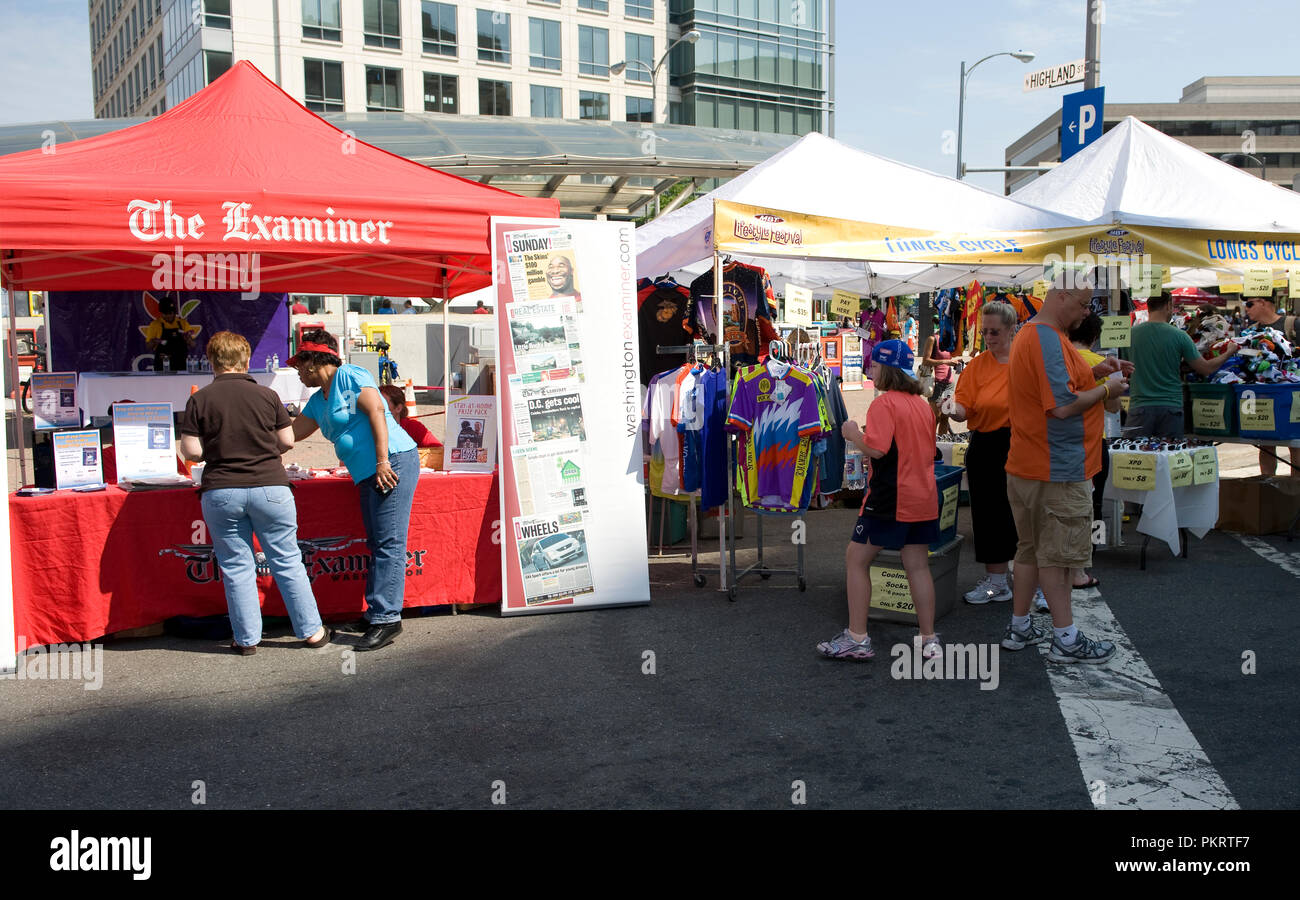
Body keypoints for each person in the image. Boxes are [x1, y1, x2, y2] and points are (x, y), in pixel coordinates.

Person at [178, 331, 329, 655]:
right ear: (245, 360)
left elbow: (190, 449)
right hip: (271, 487)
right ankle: (312, 632)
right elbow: (287, 441)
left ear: (213, 361)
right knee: (287, 560)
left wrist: (218, 448)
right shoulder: (268, 396)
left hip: (222, 490)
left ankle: (246, 640)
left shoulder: (199, 399)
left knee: (236, 565)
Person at [1003, 273, 1127, 664]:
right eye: (1083, 303)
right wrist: (1108, 390)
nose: (1086, 312)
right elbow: (1060, 406)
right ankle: (1066, 638)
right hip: (1056, 468)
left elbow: (1058, 387)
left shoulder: (1034, 334)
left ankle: (1020, 627)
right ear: (1061, 296)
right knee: (1058, 559)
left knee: (1029, 550)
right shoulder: (1045, 337)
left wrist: (1098, 372)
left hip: (1030, 464)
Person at [289, 330, 419, 651]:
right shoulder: (319, 400)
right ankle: (376, 612)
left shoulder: (349, 374)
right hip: (369, 472)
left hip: (392, 462)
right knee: (378, 541)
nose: (297, 371)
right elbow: (291, 435)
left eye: (300, 363)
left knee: (388, 542)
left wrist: (382, 460)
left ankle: (387, 618)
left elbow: (376, 411)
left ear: (316, 361)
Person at [818, 339, 942, 662]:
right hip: (924, 497)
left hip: (890, 498)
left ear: (886, 368)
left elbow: (876, 449)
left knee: (856, 559)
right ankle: (928, 638)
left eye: (874, 364)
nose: (869, 369)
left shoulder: (884, 405)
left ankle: (857, 637)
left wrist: (851, 433)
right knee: (917, 565)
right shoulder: (922, 404)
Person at [947, 301, 1046, 609]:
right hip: (987, 445)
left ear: (1012, 329)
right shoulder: (977, 366)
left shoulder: (1030, 360)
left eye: (995, 331)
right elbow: (964, 407)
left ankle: (1042, 586)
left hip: (1025, 443)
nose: (989, 337)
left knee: (1029, 516)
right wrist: (953, 407)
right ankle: (996, 582)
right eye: (985, 332)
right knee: (989, 515)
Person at [1126, 292, 1237, 438]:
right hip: (1170, 408)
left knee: (1134, 457)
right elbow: (1205, 368)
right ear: (1168, 305)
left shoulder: (1130, 335)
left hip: (1138, 408)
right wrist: (1229, 352)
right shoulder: (1179, 336)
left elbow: (1123, 371)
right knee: (1169, 456)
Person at [1067, 312, 1124, 598]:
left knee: (1067, 505)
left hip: (1064, 443)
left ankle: (1069, 556)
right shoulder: (1102, 364)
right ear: (1094, 337)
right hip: (1094, 441)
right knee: (1094, 502)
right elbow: (1113, 408)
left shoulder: (1063, 361)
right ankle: (1090, 553)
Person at [1242, 294, 1300, 474]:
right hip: (1263, 396)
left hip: (1292, 395)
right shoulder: (1251, 330)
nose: (1246, 308)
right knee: (1265, 446)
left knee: (1296, 445)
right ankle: (1266, 489)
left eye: (1250, 303)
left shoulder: (1292, 324)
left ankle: (1295, 491)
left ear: (1263, 302)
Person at [144, 293, 197, 372]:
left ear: (174, 312)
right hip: (163, 364)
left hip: (181, 363)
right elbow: (148, 347)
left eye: (170, 313)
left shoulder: (183, 323)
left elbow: (193, 345)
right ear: (161, 313)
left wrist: (188, 339)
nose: (168, 316)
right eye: (165, 313)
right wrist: (154, 341)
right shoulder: (155, 324)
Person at [921, 319, 956, 436]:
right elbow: (925, 361)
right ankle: (929, 444)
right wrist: (946, 361)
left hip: (949, 382)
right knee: (936, 417)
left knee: (946, 416)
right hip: (935, 383)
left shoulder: (952, 341)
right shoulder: (933, 339)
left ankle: (942, 443)